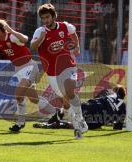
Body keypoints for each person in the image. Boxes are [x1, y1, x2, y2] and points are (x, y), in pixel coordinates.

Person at [30, 3, 88, 139]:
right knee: (64, 97)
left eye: (48, 17)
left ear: (54, 16)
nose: (46, 20)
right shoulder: (40, 31)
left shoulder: (65, 26)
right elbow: (33, 46)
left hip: (68, 65)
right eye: (43, 18)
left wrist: (77, 47)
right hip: (52, 71)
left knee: (70, 92)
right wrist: (41, 39)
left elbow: (74, 34)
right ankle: (76, 118)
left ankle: (79, 122)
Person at [34, 85, 128, 130]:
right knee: (77, 126)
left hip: (88, 107)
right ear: (123, 96)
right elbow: (117, 127)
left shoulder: (107, 92)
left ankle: (56, 117)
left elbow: (95, 99)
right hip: (97, 120)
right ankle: (57, 124)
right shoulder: (123, 106)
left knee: (69, 106)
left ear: (114, 91)